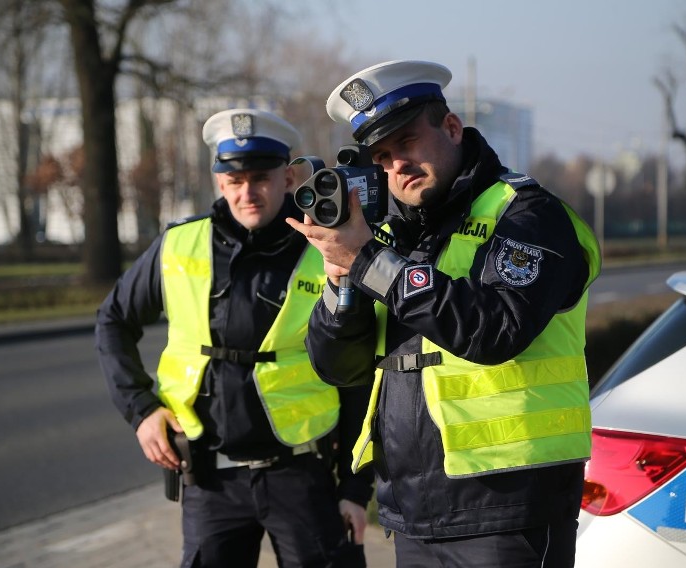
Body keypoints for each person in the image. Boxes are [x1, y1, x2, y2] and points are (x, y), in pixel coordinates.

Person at [286, 60, 601, 567]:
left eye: (407, 143)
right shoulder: (390, 237)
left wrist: (368, 260)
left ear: (451, 128)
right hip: (413, 514)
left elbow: (494, 330)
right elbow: (337, 367)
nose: (397, 167)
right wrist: (341, 279)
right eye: (382, 157)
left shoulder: (526, 215)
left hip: (509, 511)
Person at [95, 108, 373, 568]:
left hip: (304, 476)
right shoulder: (179, 244)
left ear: (287, 178)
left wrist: (356, 490)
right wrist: (141, 411)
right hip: (210, 480)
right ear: (218, 181)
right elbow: (112, 321)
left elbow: (359, 373)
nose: (248, 192)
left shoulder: (325, 246)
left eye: (260, 177)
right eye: (234, 179)